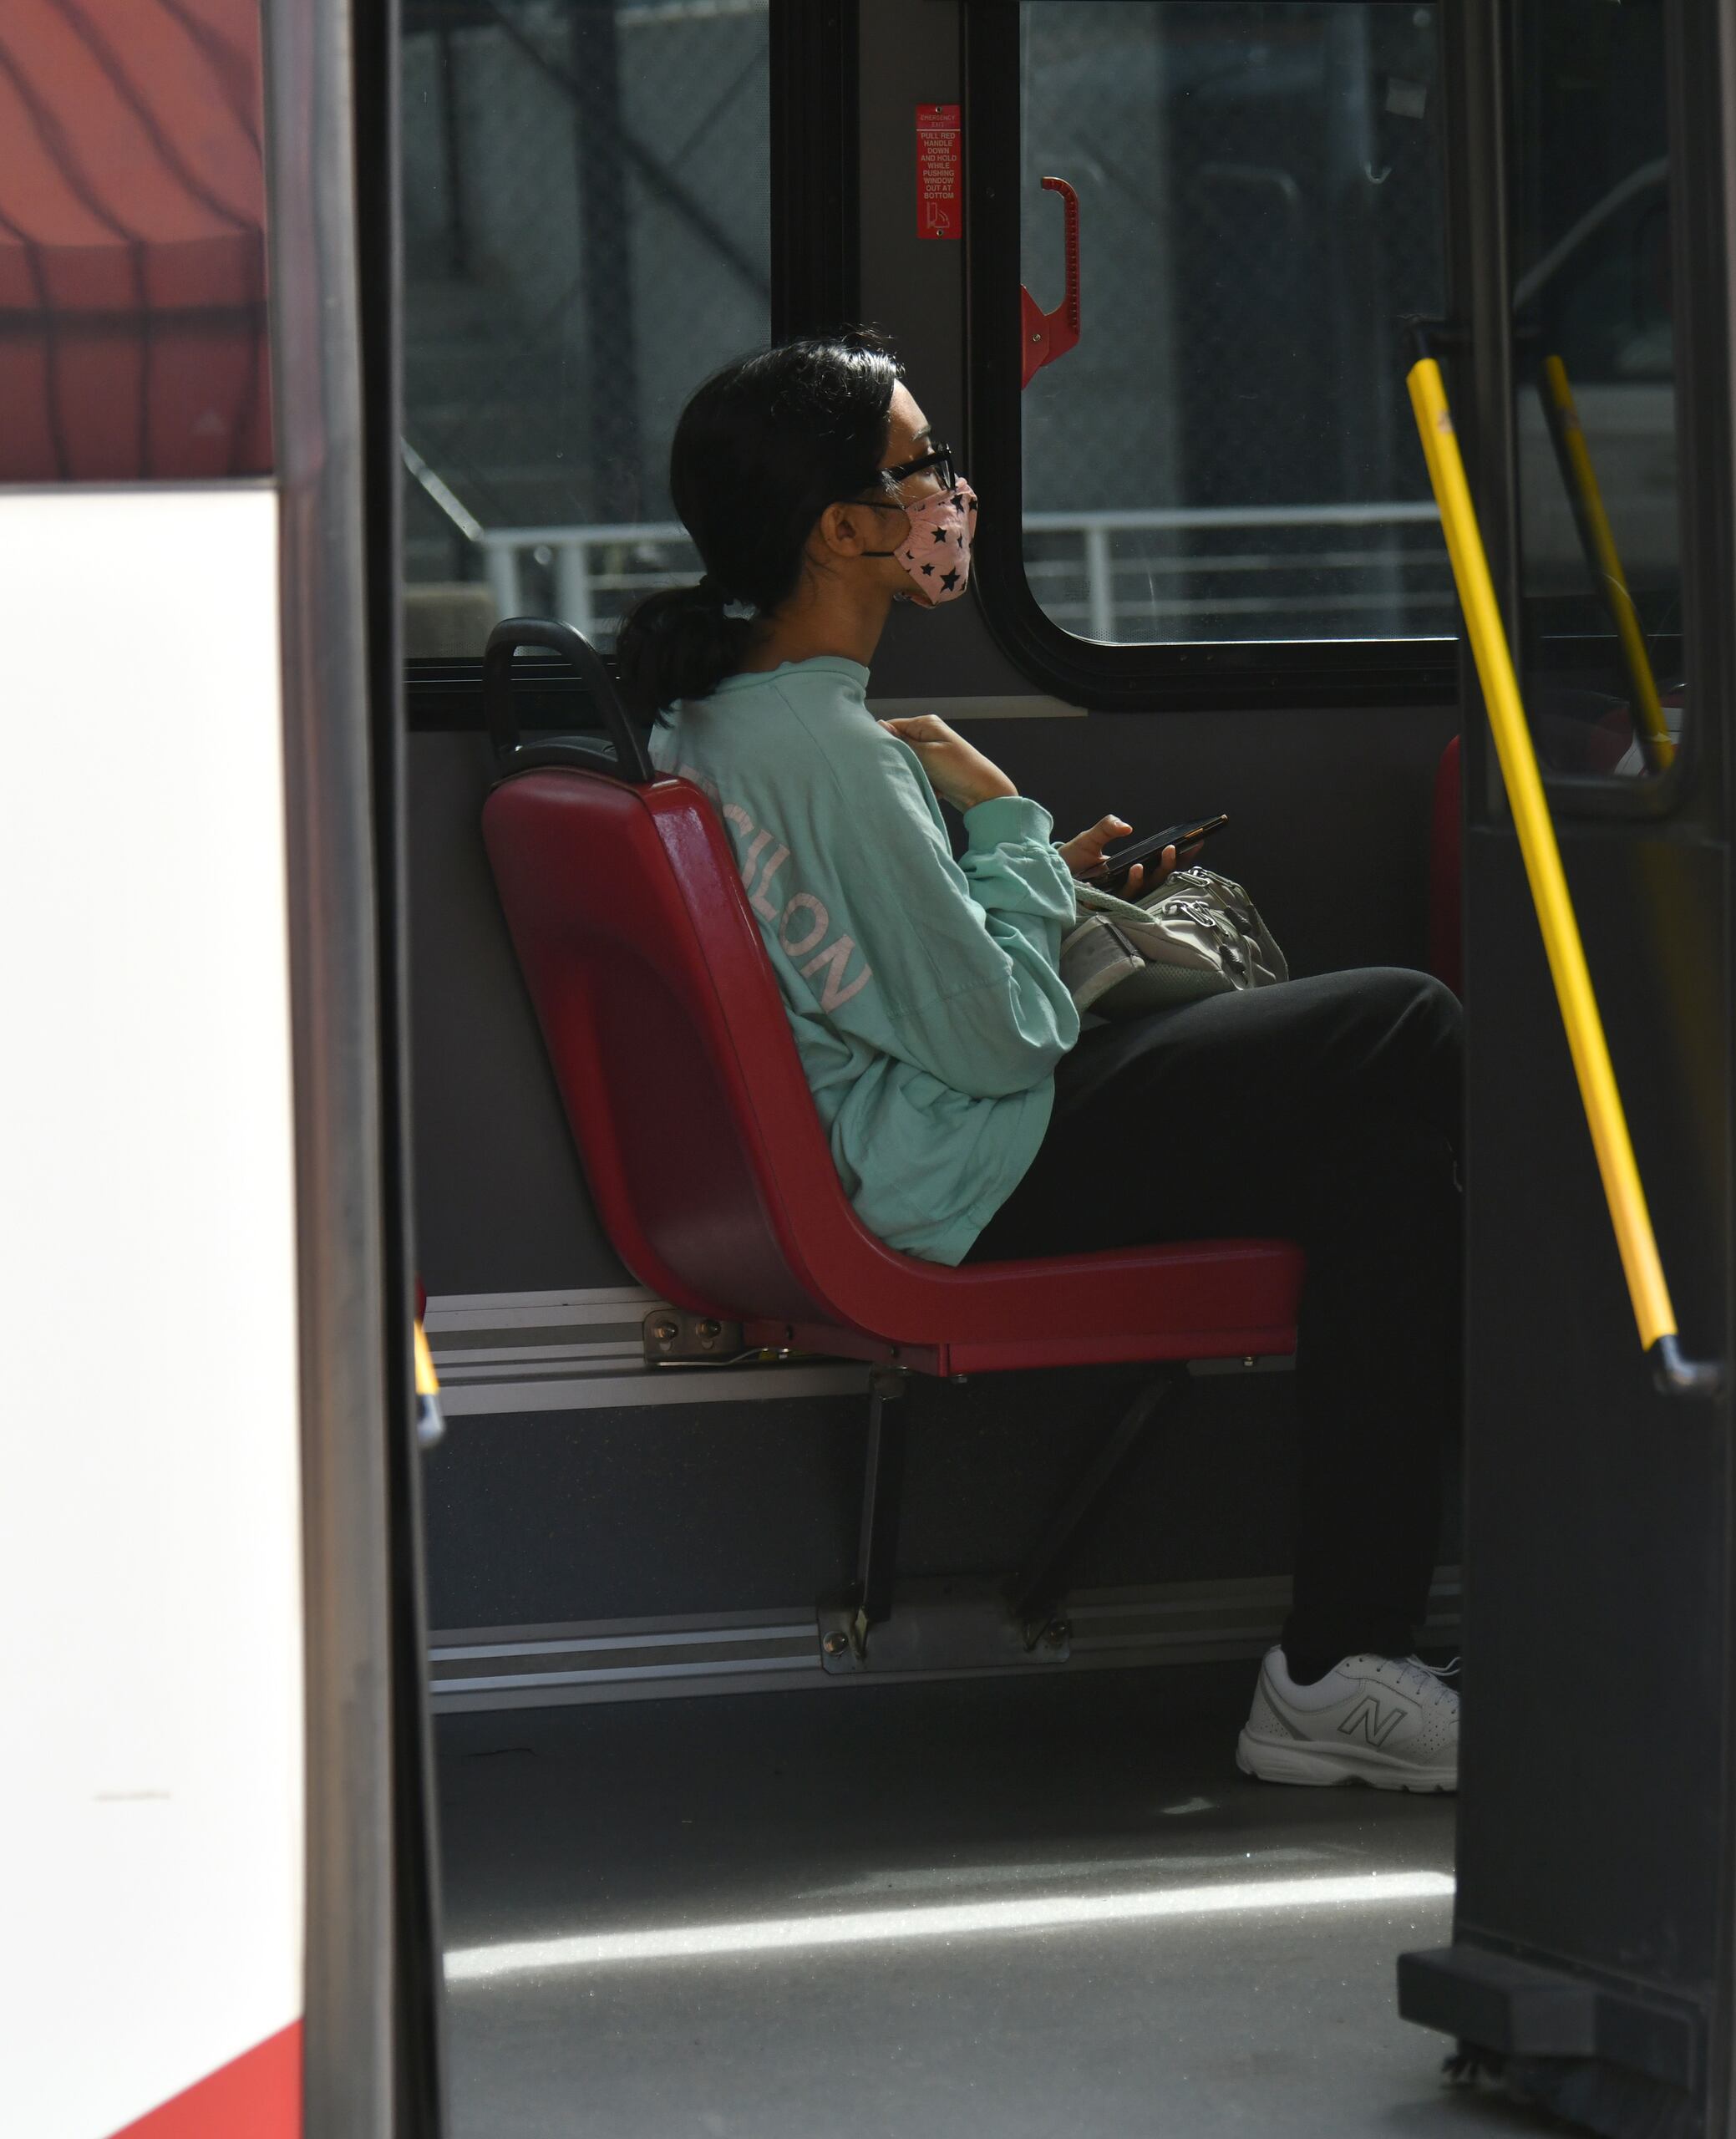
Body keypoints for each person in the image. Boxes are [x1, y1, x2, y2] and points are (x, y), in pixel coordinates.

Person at [613, 331, 1461, 1791]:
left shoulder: (732, 722)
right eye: (922, 466)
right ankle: (1343, 1664)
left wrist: (1008, 883)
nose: (951, 492)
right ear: (841, 528)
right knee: (1400, 1029)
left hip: (915, 1129)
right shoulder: (835, 751)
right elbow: (1003, 1037)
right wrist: (1006, 826)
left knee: (1382, 1169)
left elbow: (881, 953)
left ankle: (1349, 1662)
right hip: (957, 1155)